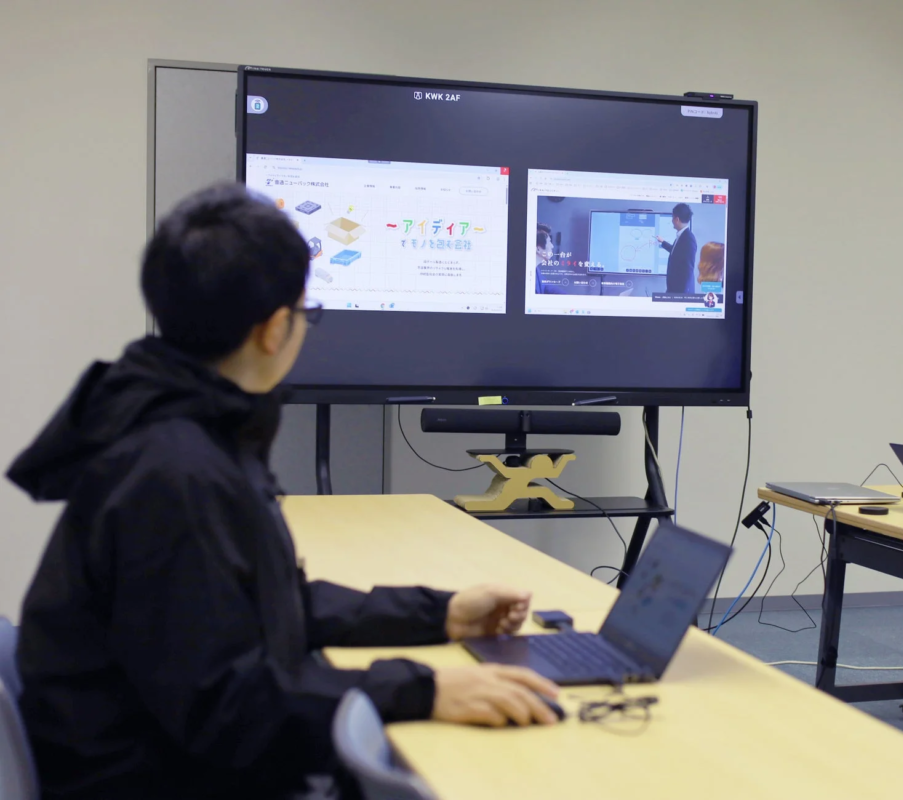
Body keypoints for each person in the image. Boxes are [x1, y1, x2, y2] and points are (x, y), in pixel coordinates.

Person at [7, 184, 561, 800]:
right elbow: (225, 709)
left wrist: (437, 613)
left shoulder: (181, 426)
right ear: (274, 330)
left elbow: (256, 604)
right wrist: (420, 689)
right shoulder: (173, 471)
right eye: (307, 312)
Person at [654, 202, 698, 293]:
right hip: (674, 289)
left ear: (677, 219)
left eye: (672, 218)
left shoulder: (688, 239)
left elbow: (688, 269)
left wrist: (681, 297)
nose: (672, 221)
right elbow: (676, 252)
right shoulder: (682, 235)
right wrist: (663, 242)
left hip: (680, 292)